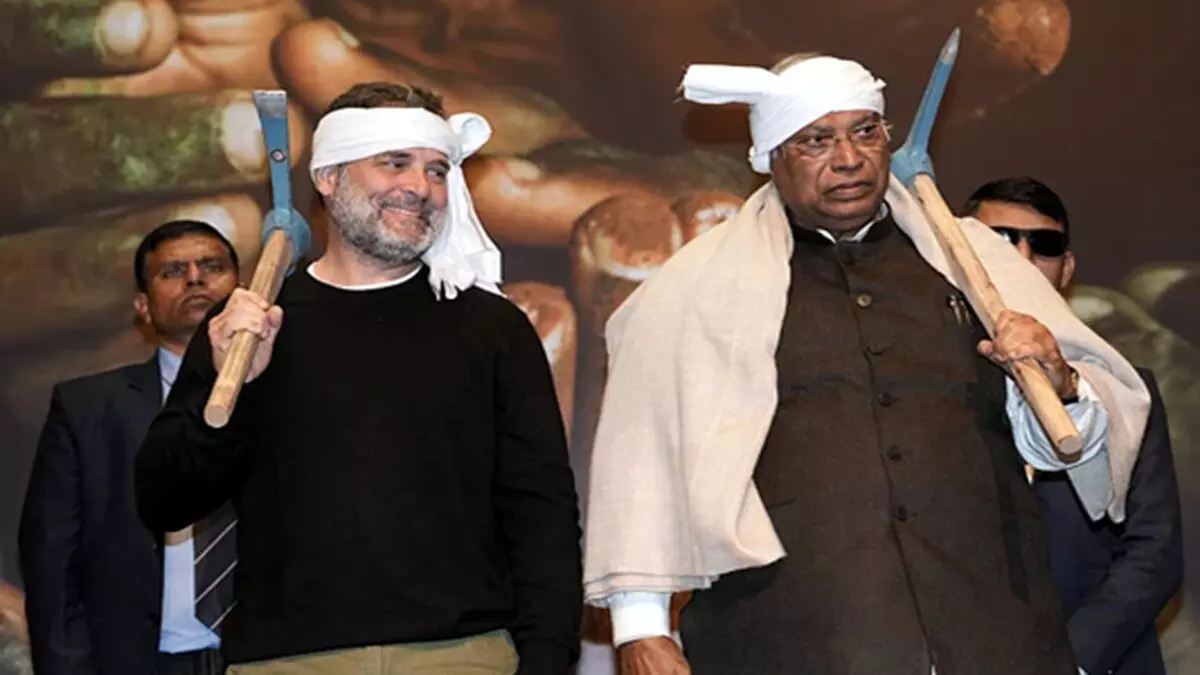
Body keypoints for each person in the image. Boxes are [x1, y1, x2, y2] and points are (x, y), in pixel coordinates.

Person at [580, 54, 1153, 675]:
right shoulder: (696, 289)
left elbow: (1062, 450)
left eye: (865, 131)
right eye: (816, 140)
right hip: (792, 637)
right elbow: (644, 452)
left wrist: (1062, 384)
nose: (849, 158)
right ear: (772, 156)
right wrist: (641, 628)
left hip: (993, 633)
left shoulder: (971, 263)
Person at [134, 81, 583, 674]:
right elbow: (165, 499)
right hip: (289, 662)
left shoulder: (492, 328)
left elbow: (541, 510)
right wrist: (232, 386)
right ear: (328, 176)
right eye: (395, 163)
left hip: (462, 656)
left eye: (436, 170)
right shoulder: (249, 324)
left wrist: (548, 659)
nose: (420, 187)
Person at [965, 176, 1184, 675]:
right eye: (998, 242)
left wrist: (1072, 659)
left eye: (1043, 245)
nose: (1021, 259)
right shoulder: (922, 388)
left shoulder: (1125, 389)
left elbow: (1154, 549)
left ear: (1066, 268)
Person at [18, 220, 241, 675]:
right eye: (173, 271)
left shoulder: (286, 394)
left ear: (244, 293)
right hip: (139, 660)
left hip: (271, 658)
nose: (195, 279)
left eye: (212, 267)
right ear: (142, 306)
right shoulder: (86, 408)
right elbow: (52, 562)